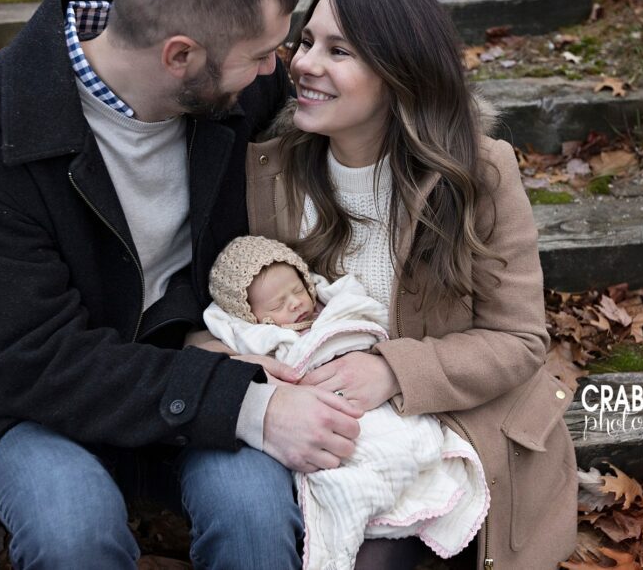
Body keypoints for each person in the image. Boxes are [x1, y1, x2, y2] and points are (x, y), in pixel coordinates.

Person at [0, 0, 365, 569]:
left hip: (201, 376)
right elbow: (36, 356)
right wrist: (247, 404)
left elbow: (375, 81)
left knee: (253, 515)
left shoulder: (227, 80)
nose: (281, 71)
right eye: (263, 55)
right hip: (41, 401)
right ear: (180, 56)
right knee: (73, 529)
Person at [240, 0, 579, 568]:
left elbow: (520, 340)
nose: (304, 63)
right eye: (307, 41)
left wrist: (393, 370)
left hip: (449, 422)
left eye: (338, 51)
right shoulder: (274, 172)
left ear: (401, 75)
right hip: (322, 426)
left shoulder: (479, 174)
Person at [203, 234, 490, 570]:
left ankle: (416, 482)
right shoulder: (256, 338)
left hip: (382, 400)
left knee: (412, 443)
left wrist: (391, 366)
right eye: (277, 306)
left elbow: (366, 316)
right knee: (342, 478)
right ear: (250, 316)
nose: (295, 304)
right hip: (318, 418)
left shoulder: (337, 304)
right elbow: (218, 339)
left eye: (297, 290)